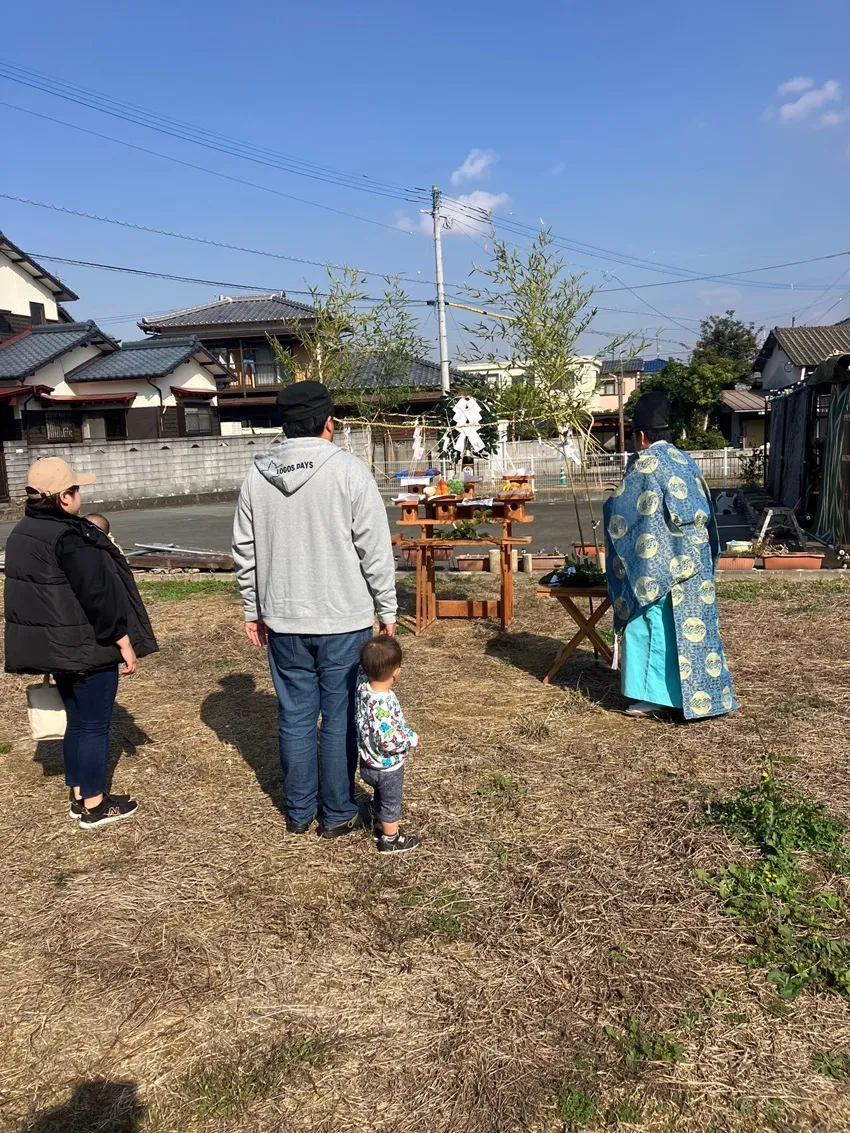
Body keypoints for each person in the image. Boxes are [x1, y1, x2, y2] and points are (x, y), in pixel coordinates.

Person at [232, 380, 398, 838]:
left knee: (295, 715)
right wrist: (387, 607)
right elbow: (374, 549)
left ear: (284, 425)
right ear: (329, 421)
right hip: (342, 616)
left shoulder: (256, 475)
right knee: (340, 714)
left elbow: (244, 550)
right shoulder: (349, 471)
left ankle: (300, 812)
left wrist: (253, 608)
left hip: (283, 618)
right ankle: (339, 811)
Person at [4, 458, 158, 826]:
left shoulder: (23, 530)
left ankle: (78, 791)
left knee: (76, 718)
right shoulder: (69, 536)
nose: (80, 495)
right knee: (93, 725)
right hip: (84, 644)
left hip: (56, 646)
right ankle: (94, 804)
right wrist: (123, 640)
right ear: (62, 497)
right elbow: (97, 595)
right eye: (74, 490)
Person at [603, 390, 738, 721]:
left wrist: (609, 507)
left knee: (651, 621)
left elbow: (626, 510)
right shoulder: (684, 459)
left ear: (642, 436)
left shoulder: (646, 464)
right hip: (697, 556)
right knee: (695, 629)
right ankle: (706, 698)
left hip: (664, 562)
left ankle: (653, 697)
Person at [355, 635, 420, 854]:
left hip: (366, 762)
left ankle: (377, 819)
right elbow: (388, 740)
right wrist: (410, 738)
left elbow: (364, 671)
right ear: (396, 673)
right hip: (387, 767)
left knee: (380, 796)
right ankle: (390, 839)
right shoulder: (383, 704)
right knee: (391, 803)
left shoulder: (363, 689)